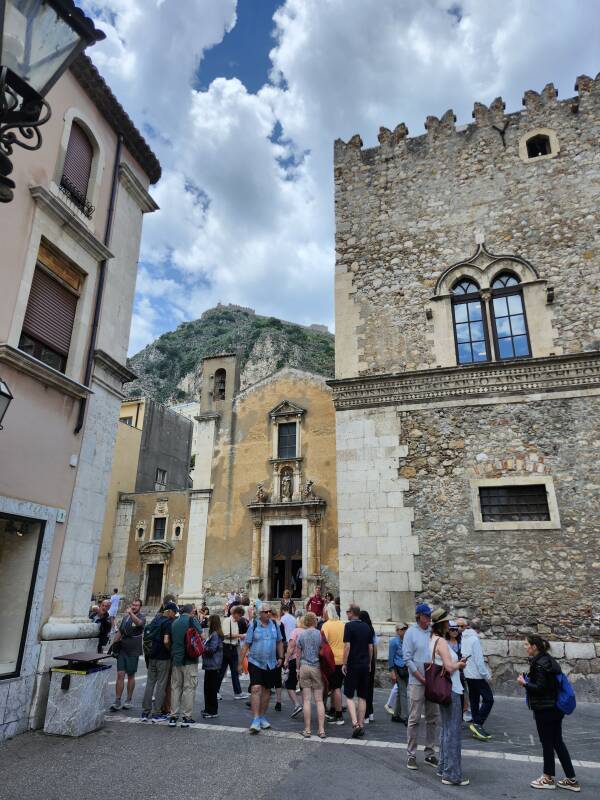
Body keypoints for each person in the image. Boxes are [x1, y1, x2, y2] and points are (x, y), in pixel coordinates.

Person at [517, 635, 580, 792]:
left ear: (534, 647)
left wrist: (524, 683)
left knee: (547, 743)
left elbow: (541, 688)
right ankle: (571, 780)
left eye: (526, 645)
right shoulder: (548, 660)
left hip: (545, 709)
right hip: (555, 708)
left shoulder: (539, 664)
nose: (525, 648)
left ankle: (548, 778)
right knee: (557, 742)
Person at [429, 608, 469, 786]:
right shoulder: (442, 642)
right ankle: (451, 774)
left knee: (446, 729)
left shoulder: (431, 640)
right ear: (443, 624)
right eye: (447, 622)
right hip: (451, 689)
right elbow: (449, 667)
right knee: (453, 732)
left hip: (442, 689)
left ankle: (443, 768)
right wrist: (459, 664)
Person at [403, 603, 440, 770]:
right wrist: (420, 677)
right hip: (417, 682)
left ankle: (430, 753)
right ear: (418, 616)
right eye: (425, 616)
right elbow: (407, 659)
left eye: (429, 616)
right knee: (414, 719)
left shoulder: (433, 632)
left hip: (432, 681)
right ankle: (411, 754)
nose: (428, 619)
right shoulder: (410, 633)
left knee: (432, 718)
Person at [239, 604, 283, 734]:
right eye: (266, 612)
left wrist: (281, 657)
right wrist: (240, 663)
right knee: (256, 688)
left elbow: (279, 642)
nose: (268, 613)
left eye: (270, 611)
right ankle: (256, 719)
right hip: (255, 662)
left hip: (271, 663)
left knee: (267, 691)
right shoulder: (254, 625)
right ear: (260, 614)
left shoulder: (275, 625)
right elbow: (246, 645)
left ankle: (262, 716)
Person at [141, 601, 178, 722]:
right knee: (161, 685)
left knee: (150, 683)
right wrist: (170, 650)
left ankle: (145, 712)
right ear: (170, 611)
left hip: (152, 655)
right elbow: (166, 640)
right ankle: (156, 713)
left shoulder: (155, 620)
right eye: (174, 612)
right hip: (163, 657)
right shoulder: (168, 622)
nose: (175, 615)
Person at [169, 603, 203, 727]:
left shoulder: (175, 622)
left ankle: (173, 716)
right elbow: (202, 635)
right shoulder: (192, 620)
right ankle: (186, 717)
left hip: (176, 659)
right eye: (194, 611)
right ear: (191, 612)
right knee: (189, 688)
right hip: (189, 659)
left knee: (176, 687)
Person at [342, 604, 372, 738]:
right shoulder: (367, 627)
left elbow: (347, 646)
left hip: (353, 664)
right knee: (362, 696)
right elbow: (370, 647)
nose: (346, 614)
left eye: (347, 611)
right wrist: (370, 662)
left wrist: (344, 663)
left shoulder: (348, 626)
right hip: (365, 664)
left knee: (349, 695)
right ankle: (361, 724)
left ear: (352, 613)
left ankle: (355, 723)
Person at [461, 617, 494, 741]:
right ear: (479, 629)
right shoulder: (475, 639)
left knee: (474, 699)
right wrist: (487, 676)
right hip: (477, 675)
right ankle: (478, 723)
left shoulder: (464, 637)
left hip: (468, 673)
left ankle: (475, 725)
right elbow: (479, 662)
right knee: (489, 699)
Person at [110, 599, 145, 710]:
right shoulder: (125, 618)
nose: (134, 607)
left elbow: (138, 623)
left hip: (133, 649)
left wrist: (130, 613)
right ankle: (117, 700)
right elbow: (120, 632)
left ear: (140, 607)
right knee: (120, 674)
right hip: (122, 649)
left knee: (130, 675)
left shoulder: (141, 617)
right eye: (133, 605)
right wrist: (113, 645)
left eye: (136, 605)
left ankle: (128, 699)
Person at [296, 612, 325, 738]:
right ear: (315, 621)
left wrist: (297, 669)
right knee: (319, 700)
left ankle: (307, 730)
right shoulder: (320, 634)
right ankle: (321, 730)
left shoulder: (301, 635)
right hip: (316, 667)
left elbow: (298, 654)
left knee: (306, 700)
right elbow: (323, 650)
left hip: (304, 666)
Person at [217, 606, 250, 700]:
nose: (239, 618)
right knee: (222, 671)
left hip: (233, 647)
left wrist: (239, 637)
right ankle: (216, 691)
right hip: (227, 648)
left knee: (235, 671)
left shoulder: (236, 622)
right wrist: (240, 636)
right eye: (239, 616)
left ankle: (238, 692)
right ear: (235, 613)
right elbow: (226, 635)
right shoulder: (228, 621)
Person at [321, 603, 345, 725]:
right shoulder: (342, 624)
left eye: (324, 611)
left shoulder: (326, 626)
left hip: (331, 660)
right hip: (342, 660)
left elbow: (323, 643)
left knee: (335, 688)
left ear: (327, 612)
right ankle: (332, 709)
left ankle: (339, 714)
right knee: (336, 686)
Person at [386, 622, 409, 723]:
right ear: (397, 631)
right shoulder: (394, 642)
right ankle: (406, 716)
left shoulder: (408, 641)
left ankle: (396, 715)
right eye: (402, 629)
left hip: (407, 668)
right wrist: (392, 672)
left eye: (405, 628)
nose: (404, 630)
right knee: (403, 692)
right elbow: (390, 658)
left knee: (400, 692)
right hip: (398, 668)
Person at [202, 614, 224, 718]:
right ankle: (208, 709)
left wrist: (202, 646)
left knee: (210, 688)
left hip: (213, 665)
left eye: (209, 621)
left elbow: (211, 650)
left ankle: (212, 711)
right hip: (211, 665)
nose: (208, 622)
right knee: (208, 688)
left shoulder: (215, 634)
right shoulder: (214, 634)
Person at [283, 611, 304, 718]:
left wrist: (286, 659)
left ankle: (297, 705)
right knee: (304, 686)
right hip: (306, 661)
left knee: (289, 684)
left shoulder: (295, 632)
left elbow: (291, 647)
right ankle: (306, 705)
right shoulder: (307, 631)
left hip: (294, 660)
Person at [359, 610, 377, 723]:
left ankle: (365, 714)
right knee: (370, 688)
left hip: (364, 661)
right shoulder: (372, 629)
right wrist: (373, 661)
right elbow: (375, 647)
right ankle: (370, 713)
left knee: (363, 689)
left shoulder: (362, 630)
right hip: (372, 662)